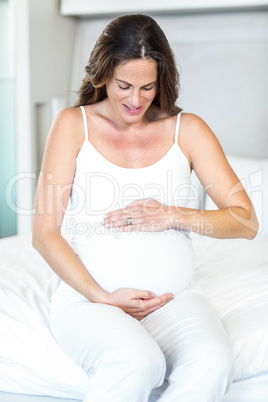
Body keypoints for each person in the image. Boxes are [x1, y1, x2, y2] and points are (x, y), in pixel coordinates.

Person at [32, 14, 258, 402]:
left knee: (214, 362)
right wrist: (103, 297)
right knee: (137, 362)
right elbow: (44, 232)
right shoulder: (73, 125)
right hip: (90, 300)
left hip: (175, 299)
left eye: (147, 87)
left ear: (162, 81)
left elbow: (246, 220)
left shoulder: (188, 129)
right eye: (124, 85)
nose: (135, 100)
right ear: (102, 75)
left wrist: (173, 214)